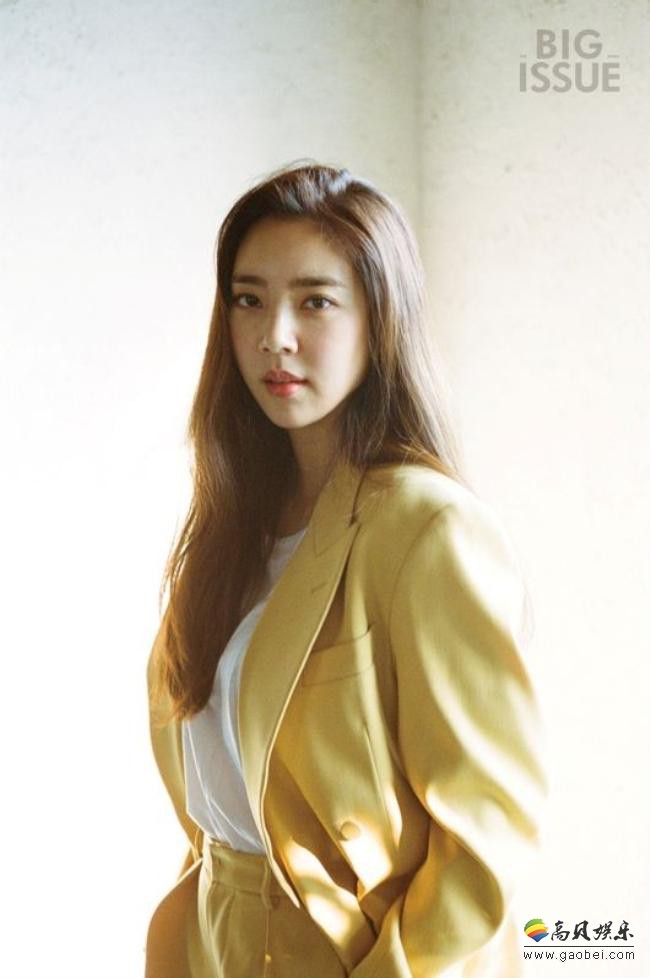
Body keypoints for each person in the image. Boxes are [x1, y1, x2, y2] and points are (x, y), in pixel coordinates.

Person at [144, 160, 547, 978]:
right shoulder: (232, 524)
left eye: (315, 301)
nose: (275, 335)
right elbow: (220, 787)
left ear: (379, 320)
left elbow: (487, 840)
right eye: (248, 299)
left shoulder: (426, 529)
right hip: (213, 940)